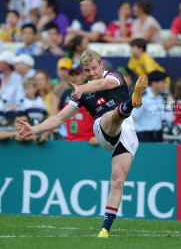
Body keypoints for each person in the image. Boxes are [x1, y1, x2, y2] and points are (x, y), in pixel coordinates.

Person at [18, 50, 148, 237]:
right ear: (82, 71)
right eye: (87, 70)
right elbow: (60, 118)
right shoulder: (80, 94)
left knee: (118, 180)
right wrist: (34, 129)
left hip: (127, 132)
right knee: (111, 117)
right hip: (102, 128)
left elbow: (101, 84)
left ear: (101, 65)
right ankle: (131, 103)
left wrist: (80, 88)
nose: (91, 73)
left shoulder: (114, 76)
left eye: (94, 68)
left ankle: (104, 230)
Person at [57, 65, 98, 144]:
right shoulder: (66, 93)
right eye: (72, 75)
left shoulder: (92, 92)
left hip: (90, 141)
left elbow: (101, 116)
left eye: (77, 74)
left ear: (83, 75)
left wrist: (98, 138)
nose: (74, 77)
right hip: (69, 141)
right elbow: (57, 117)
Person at [132, 70, 167, 142]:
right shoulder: (142, 98)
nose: (165, 86)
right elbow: (132, 119)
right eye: (163, 83)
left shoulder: (160, 97)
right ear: (154, 83)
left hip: (158, 137)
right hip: (143, 138)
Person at [0, 51, 24, 116]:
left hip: (13, 110)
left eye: (0, 62)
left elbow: (20, 93)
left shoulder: (18, 77)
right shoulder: (1, 77)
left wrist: (16, 104)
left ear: (7, 64)